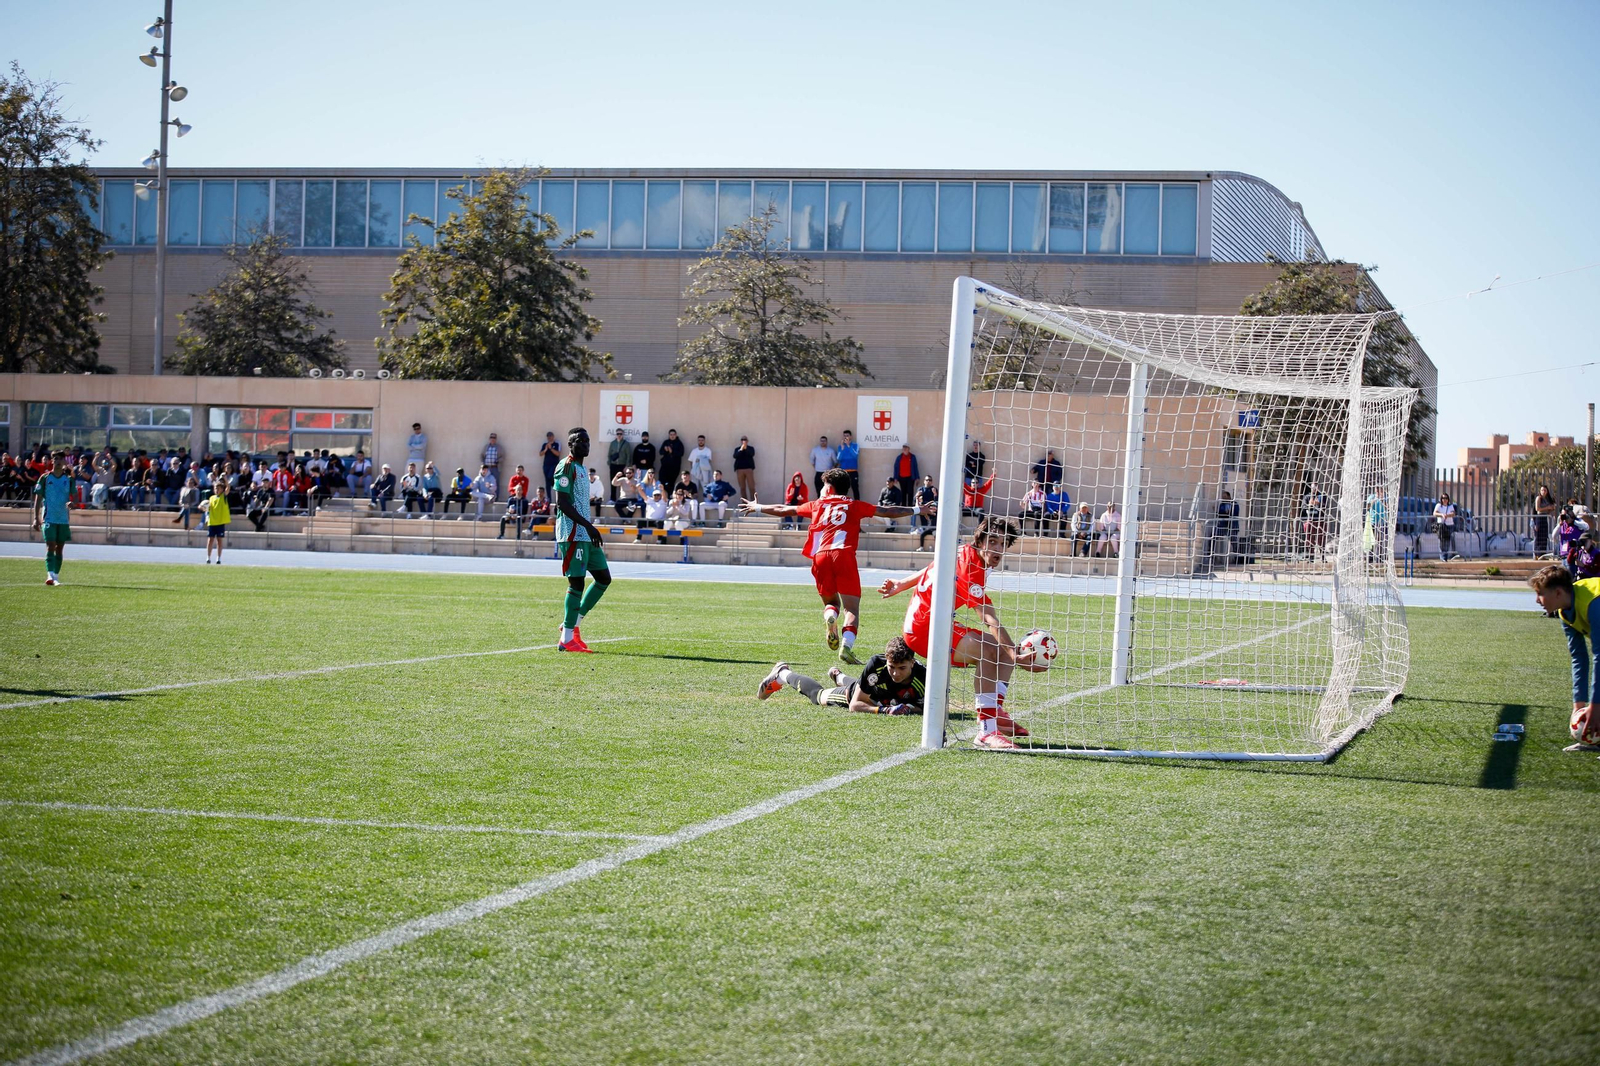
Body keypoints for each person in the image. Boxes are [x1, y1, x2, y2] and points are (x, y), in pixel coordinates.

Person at [879, 515, 1049, 750]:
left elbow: (933, 567)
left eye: (1002, 543)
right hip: (924, 628)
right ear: (980, 542)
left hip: (935, 622)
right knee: (990, 651)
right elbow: (989, 618)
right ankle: (986, 732)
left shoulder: (961, 551)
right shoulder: (972, 567)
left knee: (1000, 648)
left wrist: (902, 584)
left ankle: (994, 711)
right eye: (993, 541)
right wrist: (1015, 655)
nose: (998, 548)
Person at [743, 467, 926, 664]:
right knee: (852, 610)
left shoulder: (817, 504)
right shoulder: (855, 505)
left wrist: (758, 507)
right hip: (844, 555)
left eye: (824, 485)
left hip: (821, 556)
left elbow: (784, 509)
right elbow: (887, 511)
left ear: (829, 489)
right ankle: (846, 647)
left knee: (831, 603)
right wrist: (917, 509)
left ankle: (830, 616)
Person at [757, 635, 927, 716]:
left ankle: (839, 676)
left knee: (867, 685)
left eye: (902, 668)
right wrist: (885, 710)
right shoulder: (876, 664)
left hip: (877, 692)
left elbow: (929, 709)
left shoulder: (924, 676)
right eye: (892, 667)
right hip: (857, 695)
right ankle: (783, 673)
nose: (896, 673)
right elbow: (855, 704)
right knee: (818, 696)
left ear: (912, 662)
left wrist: (911, 709)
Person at [1529, 564, 1600, 752]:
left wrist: (1595, 706)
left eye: (1540, 594)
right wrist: (1579, 707)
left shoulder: (1594, 603)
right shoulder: (1564, 612)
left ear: (1558, 593)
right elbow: (1579, 658)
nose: (1537, 600)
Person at [553, 427, 612, 653]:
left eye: (588, 441)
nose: (586, 445)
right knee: (576, 583)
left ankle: (572, 625)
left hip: (585, 534)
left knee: (603, 579)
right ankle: (567, 639)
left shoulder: (582, 468)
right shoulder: (566, 466)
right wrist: (589, 526)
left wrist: (589, 529)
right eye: (581, 441)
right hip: (571, 533)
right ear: (571, 444)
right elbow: (562, 503)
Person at [30, 450, 73, 586]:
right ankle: (50, 575)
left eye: (61, 459)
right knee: (50, 546)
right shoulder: (45, 478)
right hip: (48, 518)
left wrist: (72, 503)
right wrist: (36, 518)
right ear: (51, 461)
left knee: (59, 548)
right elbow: (38, 498)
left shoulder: (69, 479)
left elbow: (75, 496)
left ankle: (56, 575)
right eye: (56, 459)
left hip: (63, 519)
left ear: (64, 461)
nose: (58, 461)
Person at [202, 481, 231, 564]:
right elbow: (208, 509)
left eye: (218, 488)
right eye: (215, 488)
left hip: (220, 522)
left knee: (219, 541)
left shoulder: (223, 497)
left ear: (222, 489)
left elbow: (228, 488)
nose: (216, 490)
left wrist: (225, 480)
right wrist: (202, 507)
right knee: (210, 540)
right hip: (212, 522)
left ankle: (218, 558)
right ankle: (208, 557)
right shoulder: (211, 498)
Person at [498, 469, 530, 539]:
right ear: (515, 491)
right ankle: (501, 534)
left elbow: (524, 512)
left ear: (522, 491)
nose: (518, 491)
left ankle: (518, 537)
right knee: (503, 518)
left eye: (520, 490)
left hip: (520, 516)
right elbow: (507, 509)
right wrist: (510, 512)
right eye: (517, 490)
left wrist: (516, 514)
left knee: (518, 518)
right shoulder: (511, 499)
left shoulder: (524, 501)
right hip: (511, 515)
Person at [1302, 483, 1327, 559]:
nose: (1314, 489)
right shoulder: (1307, 496)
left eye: (1315, 487)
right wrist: (1309, 505)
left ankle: (1322, 556)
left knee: (1321, 538)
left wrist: (1318, 504)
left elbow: (1325, 505)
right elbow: (1303, 506)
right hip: (1310, 520)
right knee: (1309, 538)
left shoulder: (1321, 496)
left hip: (1320, 520)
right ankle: (1311, 556)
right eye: (1313, 487)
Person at [916, 476, 940, 550]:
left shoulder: (934, 489)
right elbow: (916, 500)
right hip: (922, 508)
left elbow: (937, 501)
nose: (928, 481)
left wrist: (935, 494)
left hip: (931, 508)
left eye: (930, 480)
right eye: (927, 480)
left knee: (933, 510)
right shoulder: (921, 489)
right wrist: (917, 497)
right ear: (924, 481)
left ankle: (936, 548)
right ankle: (921, 527)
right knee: (915, 510)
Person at [607, 429, 630, 504]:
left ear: (623, 435)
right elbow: (609, 454)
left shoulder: (626, 444)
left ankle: (621, 498)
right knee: (613, 482)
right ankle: (612, 498)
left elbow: (629, 455)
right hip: (614, 465)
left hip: (622, 466)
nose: (619, 435)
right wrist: (610, 463)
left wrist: (627, 466)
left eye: (620, 434)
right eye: (618, 434)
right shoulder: (613, 443)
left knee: (622, 482)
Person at [1534, 485, 1558, 556]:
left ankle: (1543, 553)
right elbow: (1537, 509)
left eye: (1545, 490)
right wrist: (1547, 507)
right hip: (1539, 517)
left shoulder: (1547, 499)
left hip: (1545, 517)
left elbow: (1549, 510)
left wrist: (1551, 509)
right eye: (1542, 490)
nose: (1543, 492)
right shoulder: (1539, 498)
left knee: (1544, 536)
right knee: (1539, 536)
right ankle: (1537, 553)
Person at [1433, 493, 1458, 561]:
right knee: (1441, 541)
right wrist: (1442, 515)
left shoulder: (1450, 506)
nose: (1445, 500)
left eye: (1446, 498)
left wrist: (1447, 515)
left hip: (1449, 525)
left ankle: (1445, 557)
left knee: (1447, 541)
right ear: (1441, 499)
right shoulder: (1438, 505)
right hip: (1441, 525)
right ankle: (1442, 557)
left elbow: (1453, 513)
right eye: (1443, 498)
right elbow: (1435, 513)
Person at [835, 430, 860, 499]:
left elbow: (855, 456)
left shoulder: (855, 445)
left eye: (847, 436)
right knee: (842, 489)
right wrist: (842, 449)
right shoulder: (840, 446)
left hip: (853, 471)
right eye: (845, 436)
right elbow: (839, 458)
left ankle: (857, 504)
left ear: (851, 437)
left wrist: (849, 446)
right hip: (844, 471)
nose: (846, 437)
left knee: (855, 488)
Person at [1213, 492, 1237, 563]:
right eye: (1223, 497)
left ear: (1229, 496)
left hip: (1232, 525)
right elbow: (1220, 513)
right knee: (1213, 536)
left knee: (1234, 541)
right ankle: (1211, 553)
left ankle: (1236, 557)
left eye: (1225, 497)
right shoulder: (1222, 505)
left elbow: (1235, 513)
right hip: (1222, 525)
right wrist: (1224, 513)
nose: (1224, 498)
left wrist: (1227, 513)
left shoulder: (1234, 504)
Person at [732, 435, 757, 502]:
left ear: (747, 441)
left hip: (748, 469)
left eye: (745, 440)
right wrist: (741, 449)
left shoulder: (750, 448)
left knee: (751, 487)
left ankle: (754, 502)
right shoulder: (737, 449)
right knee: (742, 488)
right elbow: (735, 456)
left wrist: (745, 449)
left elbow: (751, 454)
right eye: (742, 440)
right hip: (740, 470)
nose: (744, 441)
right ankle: (744, 504)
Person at [539, 432, 562, 496]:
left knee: (550, 476)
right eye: (548, 437)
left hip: (554, 465)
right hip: (546, 465)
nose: (549, 438)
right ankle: (549, 498)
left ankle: (554, 484)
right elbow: (540, 454)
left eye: (550, 436)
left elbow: (558, 453)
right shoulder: (545, 444)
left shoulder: (557, 444)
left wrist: (551, 448)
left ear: (553, 437)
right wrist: (546, 449)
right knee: (547, 482)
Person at [481, 433, 502, 499]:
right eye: (491, 438)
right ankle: (486, 497)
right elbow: (481, 456)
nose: (492, 439)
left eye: (494, 438)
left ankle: (496, 498)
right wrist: (483, 464)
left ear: (496, 439)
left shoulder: (499, 447)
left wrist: (498, 460)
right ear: (489, 439)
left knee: (495, 483)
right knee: (485, 482)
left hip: (495, 467)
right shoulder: (486, 447)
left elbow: (503, 456)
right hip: (487, 468)